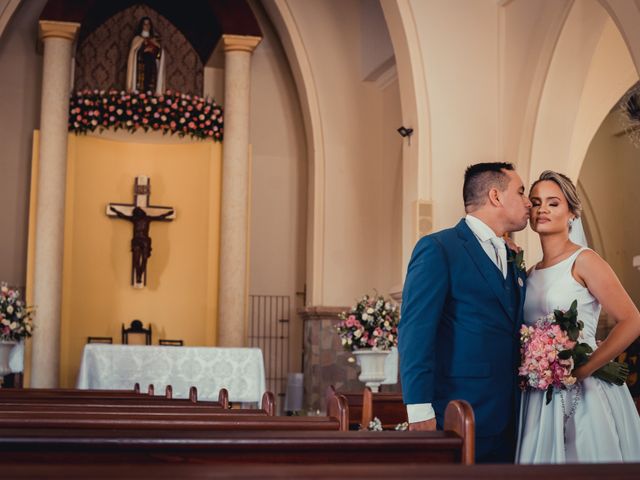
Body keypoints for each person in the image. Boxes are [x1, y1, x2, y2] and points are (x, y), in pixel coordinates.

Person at [399, 162, 532, 463]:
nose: (528, 202)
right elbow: (415, 331)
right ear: (496, 196)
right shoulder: (439, 248)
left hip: (513, 413)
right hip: (460, 412)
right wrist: (419, 408)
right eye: (521, 192)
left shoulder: (511, 254)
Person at [516, 171, 640, 463]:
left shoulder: (584, 260)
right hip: (538, 392)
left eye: (553, 203)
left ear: (571, 212)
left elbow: (632, 320)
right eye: (535, 202)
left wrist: (583, 370)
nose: (542, 209)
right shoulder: (529, 273)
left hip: (585, 389)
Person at [109, 206, 173, 284]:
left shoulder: (147, 218)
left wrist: (167, 214)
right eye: (137, 211)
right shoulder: (134, 219)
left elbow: (159, 217)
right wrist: (115, 211)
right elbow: (123, 216)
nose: (139, 212)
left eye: (139, 211)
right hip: (136, 240)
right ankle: (138, 275)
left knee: (145, 259)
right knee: (136, 259)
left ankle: (139, 275)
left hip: (145, 241)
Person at [126, 17, 165, 95]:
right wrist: (144, 48)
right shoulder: (137, 39)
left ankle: (150, 89)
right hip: (140, 65)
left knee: (150, 81)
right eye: (145, 24)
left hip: (151, 64)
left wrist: (156, 47)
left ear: (150, 26)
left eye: (148, 24)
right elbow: (134, 52)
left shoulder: (154, 39)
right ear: (142, 26)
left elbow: (160, 54)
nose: (146, 26)